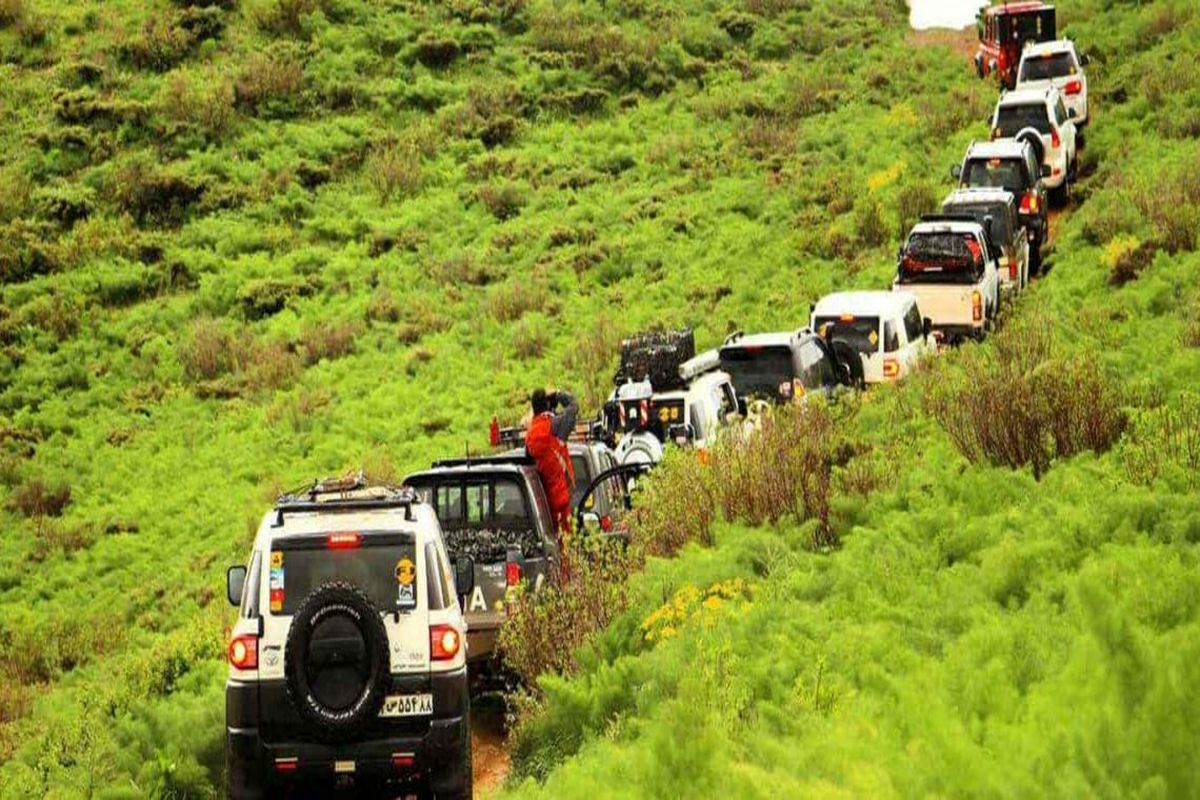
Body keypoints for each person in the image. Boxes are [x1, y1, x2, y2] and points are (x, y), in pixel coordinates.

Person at [524, 388, 578, 539]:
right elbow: (573, 406)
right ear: (548, 404)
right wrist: (558, 393)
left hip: (543, 503)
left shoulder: (530, 435)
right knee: (566, 546)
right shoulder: (555, 426)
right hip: (561, 497)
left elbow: (528, 462)